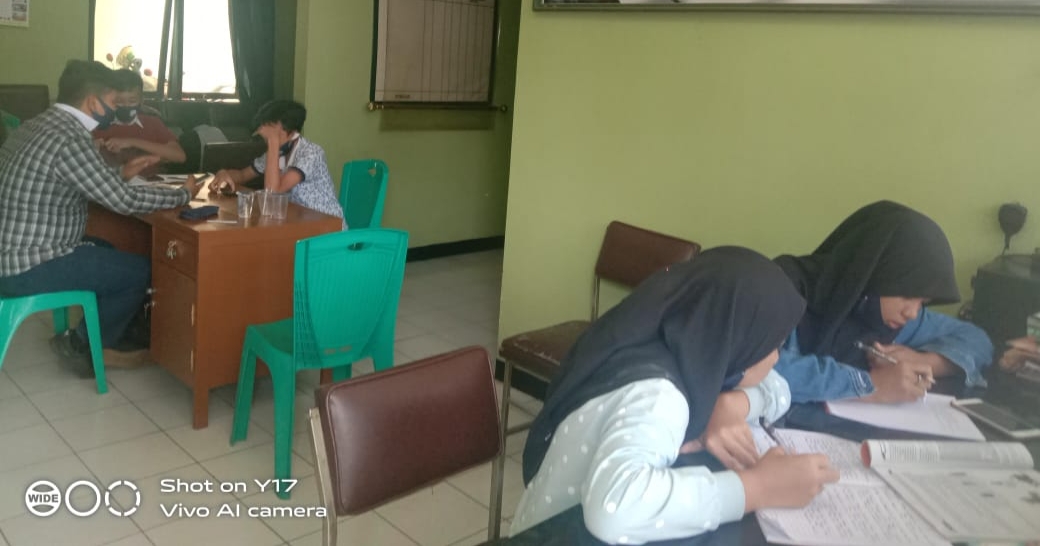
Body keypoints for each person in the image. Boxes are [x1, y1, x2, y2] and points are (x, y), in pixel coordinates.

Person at [511, 246, 839, 543]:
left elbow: (778, 386)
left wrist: (730, 405)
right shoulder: (660, 396)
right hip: (554, 535)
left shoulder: (685, 343)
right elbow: (614, 511)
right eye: (773, 345)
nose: (777, 358)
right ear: (738, 341)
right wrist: (756, 488)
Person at [0, 60, 201, 372]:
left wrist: (121, 173)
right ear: (93, 102)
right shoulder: (70, 138)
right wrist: (183, 194)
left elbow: (78, 181)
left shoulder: (36, 125)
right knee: (139, 271)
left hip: (13, 252)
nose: (116, 109)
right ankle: (87, 349)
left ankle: (104, 332)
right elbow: (124, 200)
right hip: (29, 264)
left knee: (109, 249)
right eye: (113, 102)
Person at [773, 200, 993, 404]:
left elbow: (978, 340)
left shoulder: (887, 320)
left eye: (923, 301)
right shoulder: (782, 289)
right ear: (873, 273)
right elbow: (762, 368)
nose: (912, 313)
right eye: (907, 295)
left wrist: (925, 361)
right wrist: (869, 385)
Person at [207, 99, 345, 227]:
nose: (266, 139)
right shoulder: (275, 154)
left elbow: (273, 192)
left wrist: (273, 142)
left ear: (290, 131)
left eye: (271, 132)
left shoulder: (311, 153)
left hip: (328, 228)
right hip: (297, 223)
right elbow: (243, 175)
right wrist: (224, 174)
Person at [92, 69, 186, 173]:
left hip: (151, 180)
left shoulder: (153, 123)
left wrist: (131, 142)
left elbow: (179, 156)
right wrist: (93, 148)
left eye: (132, 101)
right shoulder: (98, 125)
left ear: (141, 101)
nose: (126, 106)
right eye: (119, 101)